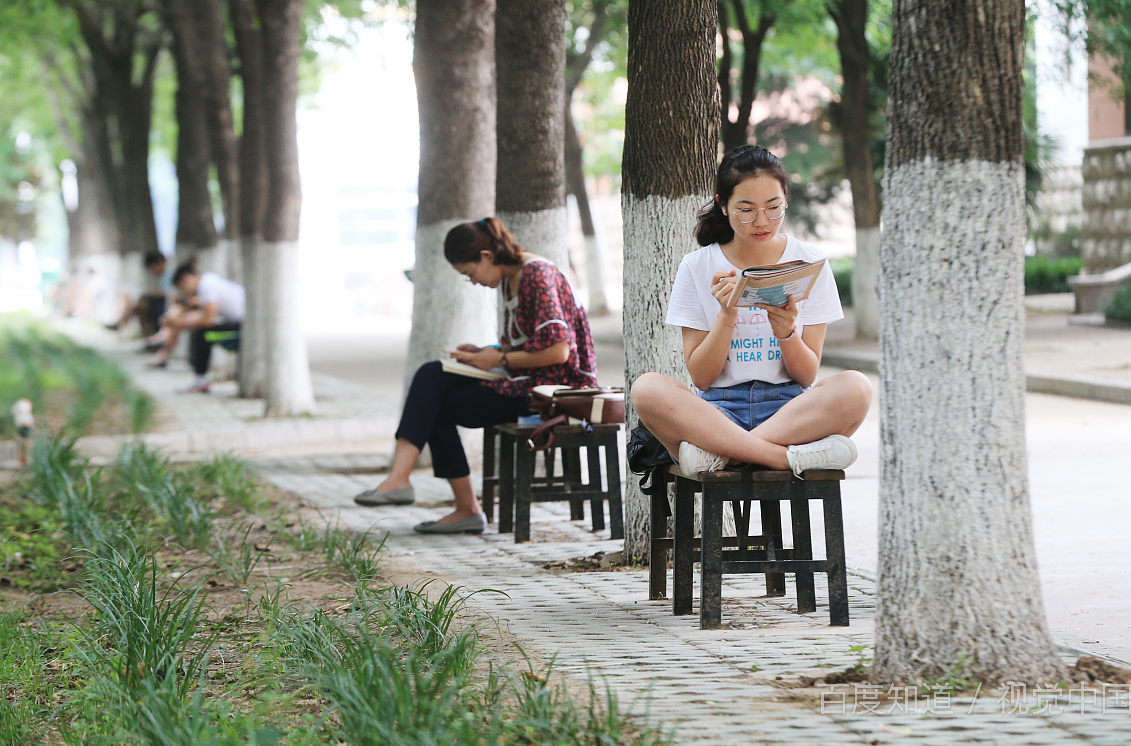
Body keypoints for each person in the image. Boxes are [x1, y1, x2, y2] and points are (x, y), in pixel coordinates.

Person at [630, 145, 872, 477]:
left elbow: (806, 376)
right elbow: (701, 377)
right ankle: (783, 458)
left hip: (789, 411)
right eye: (746, 209)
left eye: (774, 208)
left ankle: (725, 454)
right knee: (646, 389)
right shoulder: (698, 266)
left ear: (786, 198)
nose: (762, 222)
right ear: (723, 205)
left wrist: (786, 332)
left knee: (857, 387)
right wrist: (726, 316)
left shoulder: (810, 263)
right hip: (718, 411)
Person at [354, 216, 598, 535]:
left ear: (486, 256)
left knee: (433, 396)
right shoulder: (512, 277)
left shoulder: (536, 274)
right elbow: (530, 342)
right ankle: (419, 488)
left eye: (469, 274)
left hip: (555, 396)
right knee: (432, 379)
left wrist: (498, 358)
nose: (473, 282)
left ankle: (443, 498)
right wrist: (483, 353)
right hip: (529, 384)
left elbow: (559, 352)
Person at [149, 263, 245, 393]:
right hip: (240, 324)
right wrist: (179, 321)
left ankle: (200, 380)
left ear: (186, 279)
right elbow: (204, 315)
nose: (185, 293)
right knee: (201, 330)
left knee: (203, 333)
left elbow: (207, 320)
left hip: (242, 329)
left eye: (182, 288)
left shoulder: (207, 286)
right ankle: (198, 377)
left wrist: (179, 324)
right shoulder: (209, 281)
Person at [106, 251, 170, 341]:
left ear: (159, 263)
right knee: (138, 304)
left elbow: (169, 294)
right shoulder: (159, 277)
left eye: (153, 267)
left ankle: (122, 322)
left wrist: (152, 294)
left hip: (165, 305)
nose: (152, 270)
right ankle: (124, 322)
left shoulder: (169, 276)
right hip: (157, 304)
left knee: (140, 304)